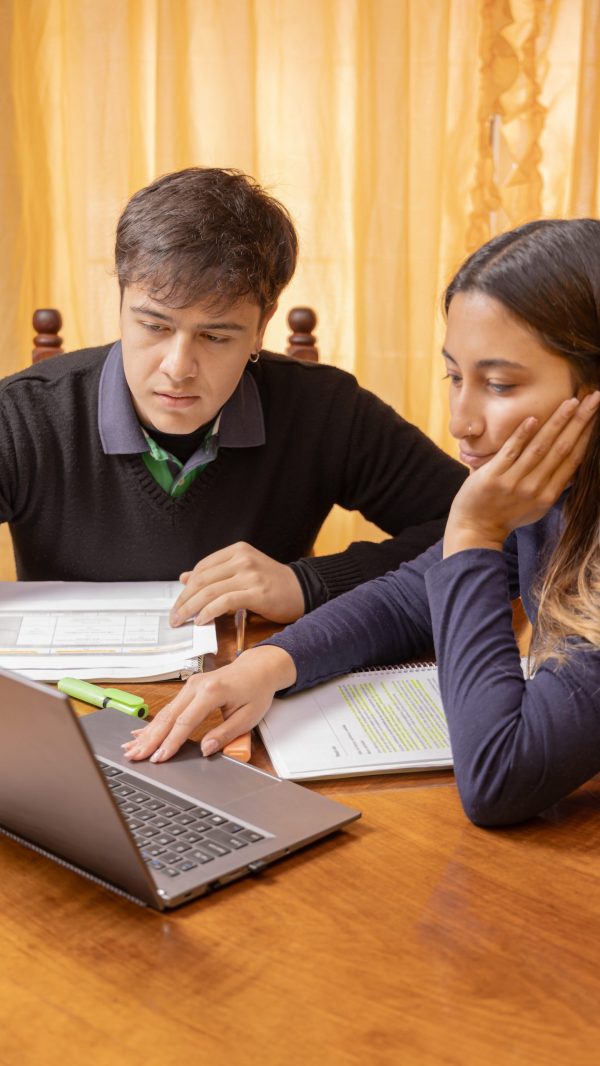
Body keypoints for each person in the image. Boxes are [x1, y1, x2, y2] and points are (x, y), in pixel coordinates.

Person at [124, 218, 600, 829]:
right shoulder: (552, 495)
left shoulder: (513, 505)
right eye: (455, 377)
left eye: (500, 384)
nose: (461, 421)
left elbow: (497, 779)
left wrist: (473, 535)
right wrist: (267, 666)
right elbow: (409, 600)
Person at [0, 167, 465, 624]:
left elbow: (473, 527)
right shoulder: (23, 417)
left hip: (259, 683)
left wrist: (309, 583)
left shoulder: (324, 410)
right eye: (154, 326)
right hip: (69, 694)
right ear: (120, 304)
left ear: (262, 328)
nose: (177, 368)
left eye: (216, 337)